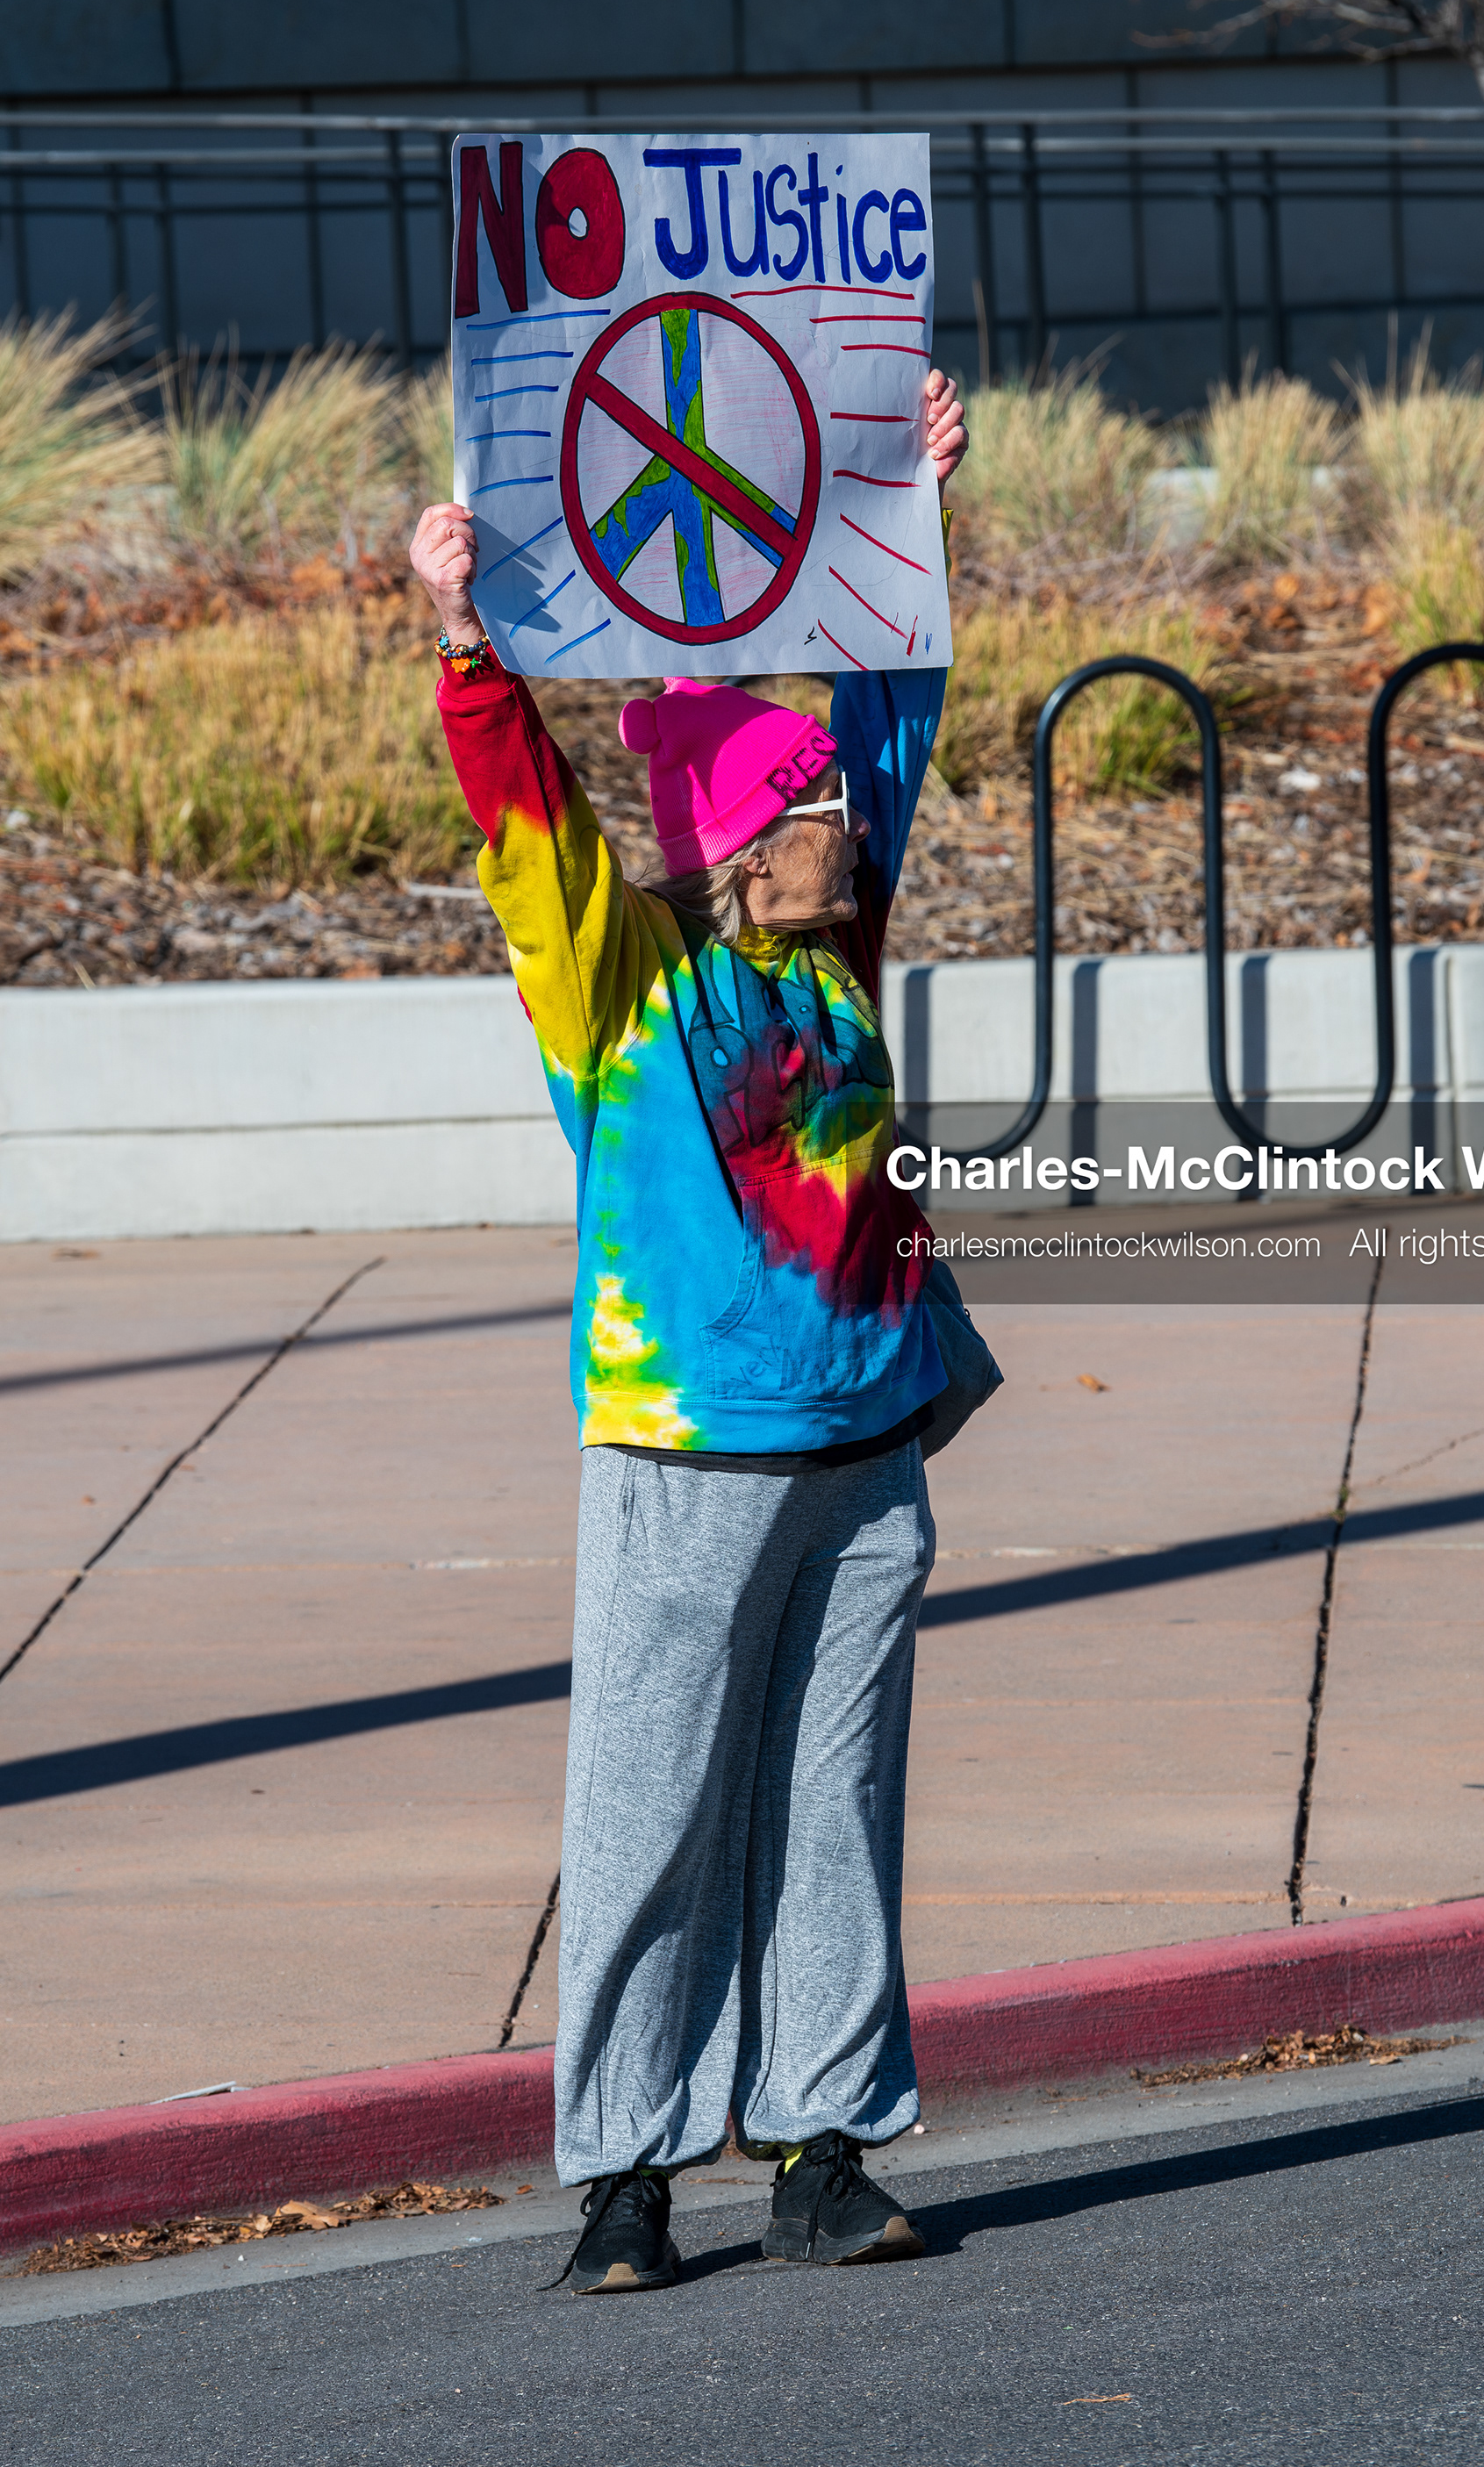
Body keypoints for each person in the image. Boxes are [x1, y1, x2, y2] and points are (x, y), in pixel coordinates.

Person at [408, 366, 970, 2292]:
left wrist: (908, 503)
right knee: (648, 1807)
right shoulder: (622, 977)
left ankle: (823, 2147)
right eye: (800, 801)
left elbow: (895, 703)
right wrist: (473, 644)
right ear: (730, 847)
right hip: (685, 1457)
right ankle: (627, 2180)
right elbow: (529, 824)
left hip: (868, 1452)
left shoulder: (848, 939)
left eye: (830, 795)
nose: (837, 806)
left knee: (838, 1805)